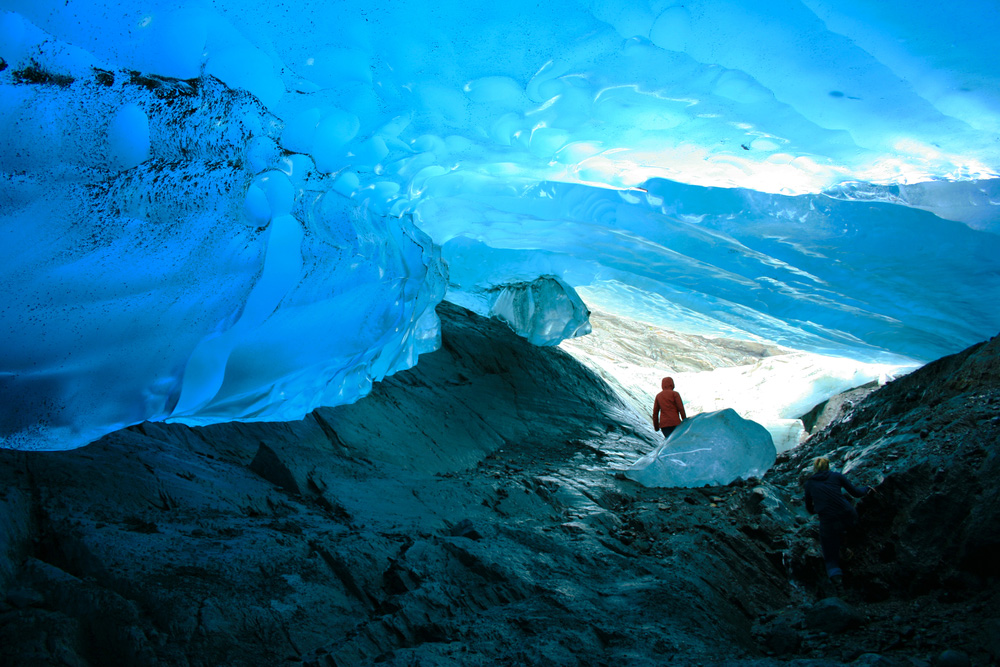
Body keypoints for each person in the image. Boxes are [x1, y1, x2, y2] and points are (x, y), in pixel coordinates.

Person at [803, 457, 871, 588]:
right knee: (847, 531)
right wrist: (867, 488)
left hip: (829, 521)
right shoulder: (836, 476)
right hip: (848, 515)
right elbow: (856, 493)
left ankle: (838, 582)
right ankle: (849, 548)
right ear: (828, 466)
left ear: (814, 469)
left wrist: (817, 510)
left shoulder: (810, 483)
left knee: (830, 556)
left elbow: (809, 507)